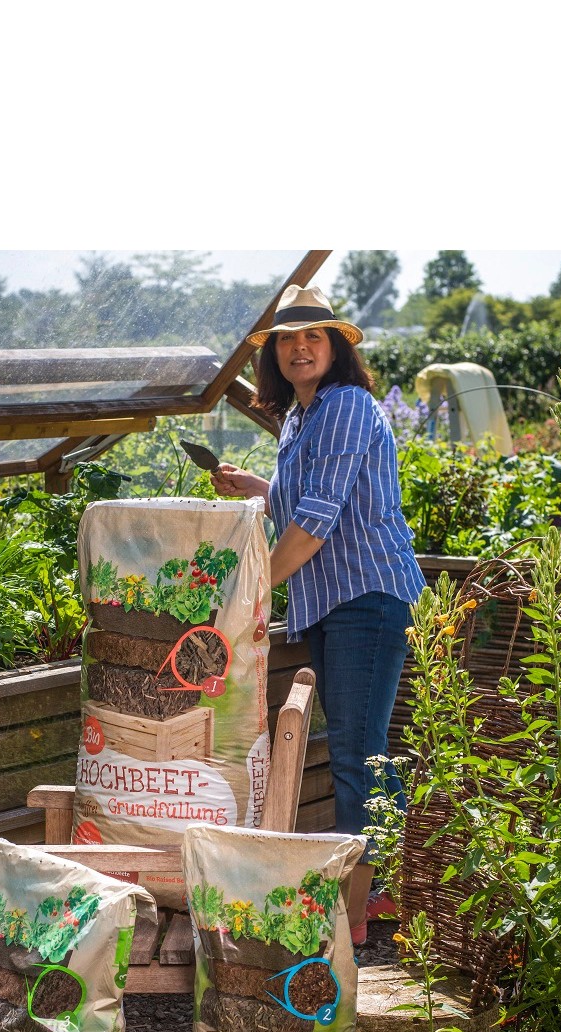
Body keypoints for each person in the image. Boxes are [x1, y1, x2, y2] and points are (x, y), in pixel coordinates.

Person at [210, 284, 426, 946]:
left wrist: (249, 594)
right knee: (360, 750)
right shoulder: (303, 416)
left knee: (359, 753)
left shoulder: (349, 406)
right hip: (336, 605)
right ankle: (388, 893)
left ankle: (362, 912)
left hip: (367, 596)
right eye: (288, 339)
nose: (300, 347)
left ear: (334, 349)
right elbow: (307, 497)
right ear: (273, 354)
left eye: (314, 336)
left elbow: (317, 523)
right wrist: (260, 490)